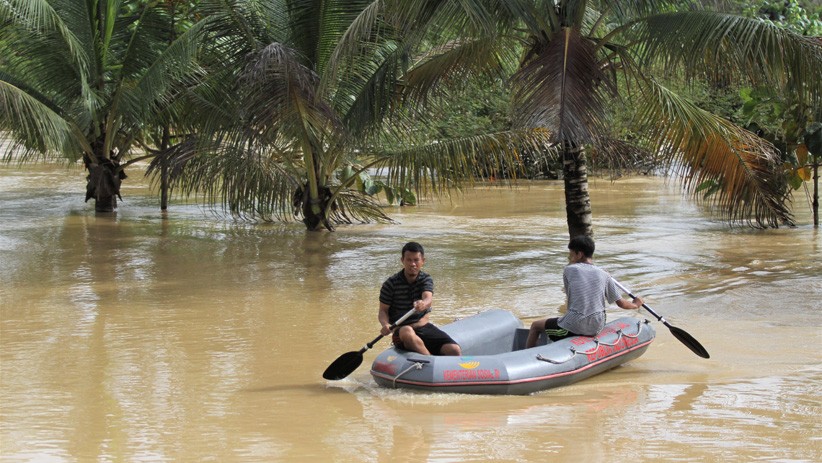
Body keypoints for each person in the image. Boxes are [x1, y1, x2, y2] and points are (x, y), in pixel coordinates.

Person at [526, 235, 645, 348]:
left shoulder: (569, 270)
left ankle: (528, 357)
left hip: (575, 325)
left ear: (579, 254)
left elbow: (571, 297)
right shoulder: (604, 275)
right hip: (597, 326)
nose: (570, 258)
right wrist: (636, 304)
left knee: (535, 326)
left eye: (571, 255)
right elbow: (622, 304)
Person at [378, 242, 461, 356]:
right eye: (409, 260)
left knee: (454, 350)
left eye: (416, 260)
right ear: (402, 260)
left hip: (423, 327)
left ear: (423, 261)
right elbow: (383, 311)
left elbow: (428, 298)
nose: (413, 264)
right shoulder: (390, 284)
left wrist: (423, 304)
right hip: (401, 331)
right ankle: (431, 360)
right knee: (407, 331)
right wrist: (385, 325)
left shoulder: (425, 279)